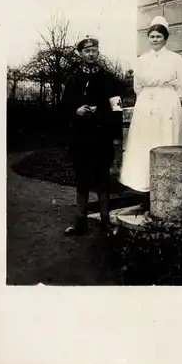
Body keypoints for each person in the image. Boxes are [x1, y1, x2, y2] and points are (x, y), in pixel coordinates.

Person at [119, 16, 182, 211]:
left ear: (165, 37)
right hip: (145, 106)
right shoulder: (142, 60)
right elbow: (138, 87)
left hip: (167, 105)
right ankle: (146, 195)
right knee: (144, 145)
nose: (155, 39)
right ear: (148, 38)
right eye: (152, 36)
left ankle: (167, 194)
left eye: (158, 36)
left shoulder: (175, 59)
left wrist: (168, 99)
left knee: (165, 140)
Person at [60, 35, 123, 235]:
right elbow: (62, 109)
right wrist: (76, 112)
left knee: (102, 178)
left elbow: (117, 109)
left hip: (102, 138)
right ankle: (80, 221)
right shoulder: (73, 79)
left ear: (98, 52)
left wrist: (114, 135)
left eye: (94, 50)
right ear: (81, 54)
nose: (91, 54)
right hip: (79, 139)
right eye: (87, 51)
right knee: (82, 179)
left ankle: (105, 221)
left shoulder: (108, 78)